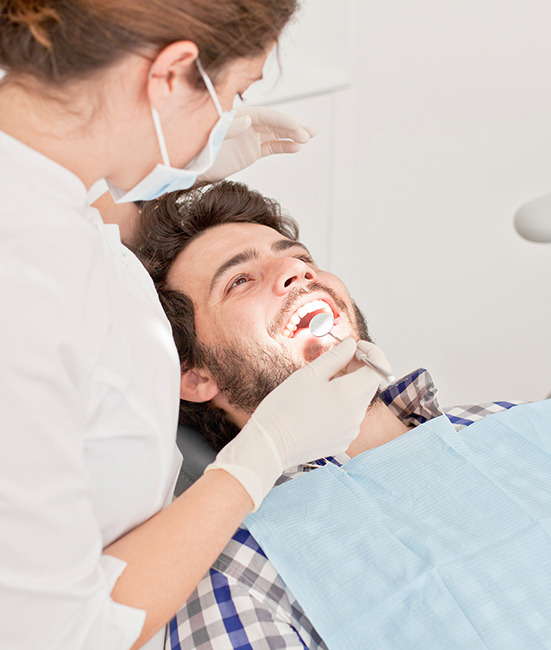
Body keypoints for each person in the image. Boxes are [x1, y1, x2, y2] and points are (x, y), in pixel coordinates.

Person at [0, 4, 387, 649]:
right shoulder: (22, 310)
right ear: (174, 72)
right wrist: (258, 456)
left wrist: (175, 166)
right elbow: (59, 633)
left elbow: (83, 224)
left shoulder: (32, 175)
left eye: (296, 258)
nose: (293, 276)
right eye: (233, 91)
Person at [134, 181, 523, 649]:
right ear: (195, 376)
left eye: (300, 257)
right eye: (240, 280)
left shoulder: (512, 427)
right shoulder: (236, 572)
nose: (297, 273)